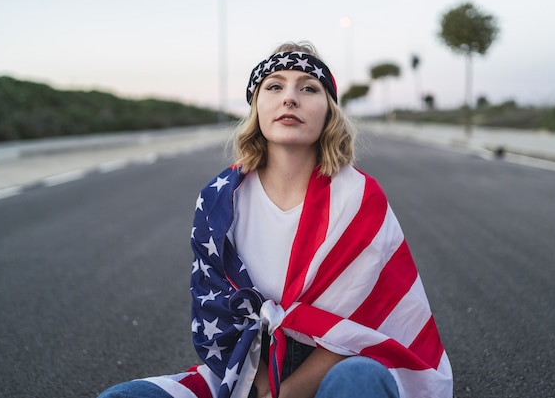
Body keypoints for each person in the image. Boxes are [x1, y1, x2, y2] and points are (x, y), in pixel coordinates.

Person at [98, 41, 453, 398]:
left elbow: (358, 326)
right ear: (257, 106)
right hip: (251, 368)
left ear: (329, 111)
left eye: (308, 88)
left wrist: (285, 394)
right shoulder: (221, 199)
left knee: (357, 380)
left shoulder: (359, 197)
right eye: (274, 86)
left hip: (341, 364)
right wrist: (265, 388)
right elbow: (218, 314)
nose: (290, 98)